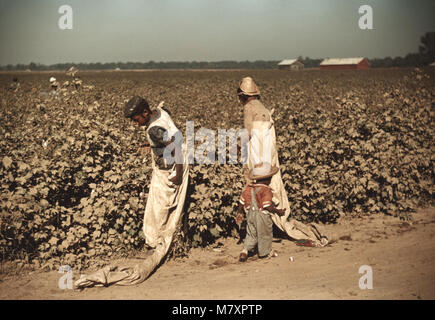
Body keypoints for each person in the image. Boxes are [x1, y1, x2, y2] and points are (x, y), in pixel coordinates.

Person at [236, 77, 329, 247]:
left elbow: (249, 136)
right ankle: (283, 228)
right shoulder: (261, 108)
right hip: (269, 157)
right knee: (274, 193)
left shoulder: (250, 108)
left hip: (259, 159)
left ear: (242, 96)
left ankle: (294, 235)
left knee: (260, 195)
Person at [124, 96, 187, 249]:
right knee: (169, 204)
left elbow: (173, 147)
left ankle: (159, 242)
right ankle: (167, 238)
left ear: (145, 113)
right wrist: (152, 144)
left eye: (136, 119)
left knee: (161, 207)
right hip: (180, 157)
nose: (135, 123)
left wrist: (178, 174)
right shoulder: (160, 111)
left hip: (172, 166)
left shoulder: (154, 130)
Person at [236, 163, 285, 262]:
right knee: (265, 234)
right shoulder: (266, 190)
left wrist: (239, 212)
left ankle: (244, 251)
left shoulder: (249, 188)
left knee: (251, 234)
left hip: (250, 215)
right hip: (262, 216)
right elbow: (267, 206)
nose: (271, 179)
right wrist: (278, 211)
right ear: (267, 179)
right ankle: (265, 253)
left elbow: (242, 201)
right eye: (270, 177)